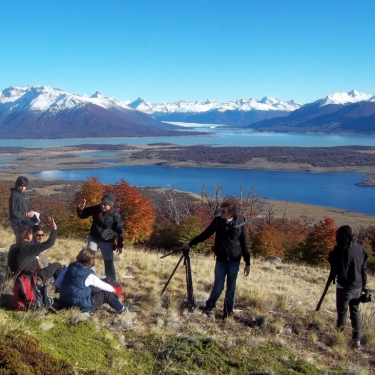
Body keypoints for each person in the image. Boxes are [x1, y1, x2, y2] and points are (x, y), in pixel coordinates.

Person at [181, 200, 250, 318]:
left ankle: (228, 312)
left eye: (224, 211)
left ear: (231, 213)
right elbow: (205, 234)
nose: (221, 213)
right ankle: (209, 306)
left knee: (231, 288)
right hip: (221, 260)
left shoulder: (240, 222)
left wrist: (247, 263)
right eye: (221, 210)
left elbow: (244, 243)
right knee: (218, 287)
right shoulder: (218, 222)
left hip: (234, 261)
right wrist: (191, 244)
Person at [327, 225, 368, 349]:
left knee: (342, 313)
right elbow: (364, 270)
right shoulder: (361, 249)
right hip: (358, 286)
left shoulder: (340, 252)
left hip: (344, 287)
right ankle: (357, 341)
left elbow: (333, 262)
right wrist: (364, 287)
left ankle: (339, 340)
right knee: (355, 313)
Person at [60, 248, 127, 313]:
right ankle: (122, 309)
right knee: (107, 294)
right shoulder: (89, 275)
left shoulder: (70, 267)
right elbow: (104, 286)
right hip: (81, 306)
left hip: (64, 302)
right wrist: (113, 290)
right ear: (91, 261)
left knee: (89, 287)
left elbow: (58, 283)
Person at [76, 193, 124, 280]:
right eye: (102, 203)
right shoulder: (95, 209)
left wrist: (120, 245)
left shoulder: (115, 215)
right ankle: (92, 278)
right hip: (93, 238)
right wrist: (80, 209)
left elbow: (120, 230)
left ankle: (111, 280)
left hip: (106, 241)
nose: (102, 206)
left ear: (111, 205)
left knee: (108, 261)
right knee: (89, 258)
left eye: (105, 205)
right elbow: (82, 215)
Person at [7, 217, 63, 284]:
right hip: (32, 279)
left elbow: (23, 257)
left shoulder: (13, 247)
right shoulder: (27, 248)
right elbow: (49, 243)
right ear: (28, 234)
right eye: (31, 234)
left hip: (15, 278)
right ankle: (58, 288)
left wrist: (37, 252)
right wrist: (54, 229)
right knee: (58, 265)